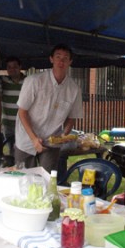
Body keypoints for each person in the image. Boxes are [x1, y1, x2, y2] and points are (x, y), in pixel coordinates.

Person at [14, 43, 83, 172]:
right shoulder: (34, 81)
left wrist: (63, 136)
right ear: (51, 59)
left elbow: (72, 117)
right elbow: (22, 112)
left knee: (47, 179)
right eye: (58, 57)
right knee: (22, 178)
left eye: (65, 58)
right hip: (26, 138)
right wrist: (34, 138)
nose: (61, 61)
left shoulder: (74, 89)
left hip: (52, 141)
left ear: (70, 62)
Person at [0, 56, 25, 157]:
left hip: (23, 124)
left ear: (20, 67)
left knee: (22, 151)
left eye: (15, 66)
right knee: (11, 151)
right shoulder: (2, 81)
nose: (12, 69)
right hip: (8, 124)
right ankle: (13, 170)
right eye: (9, 67)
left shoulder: (28, 81)